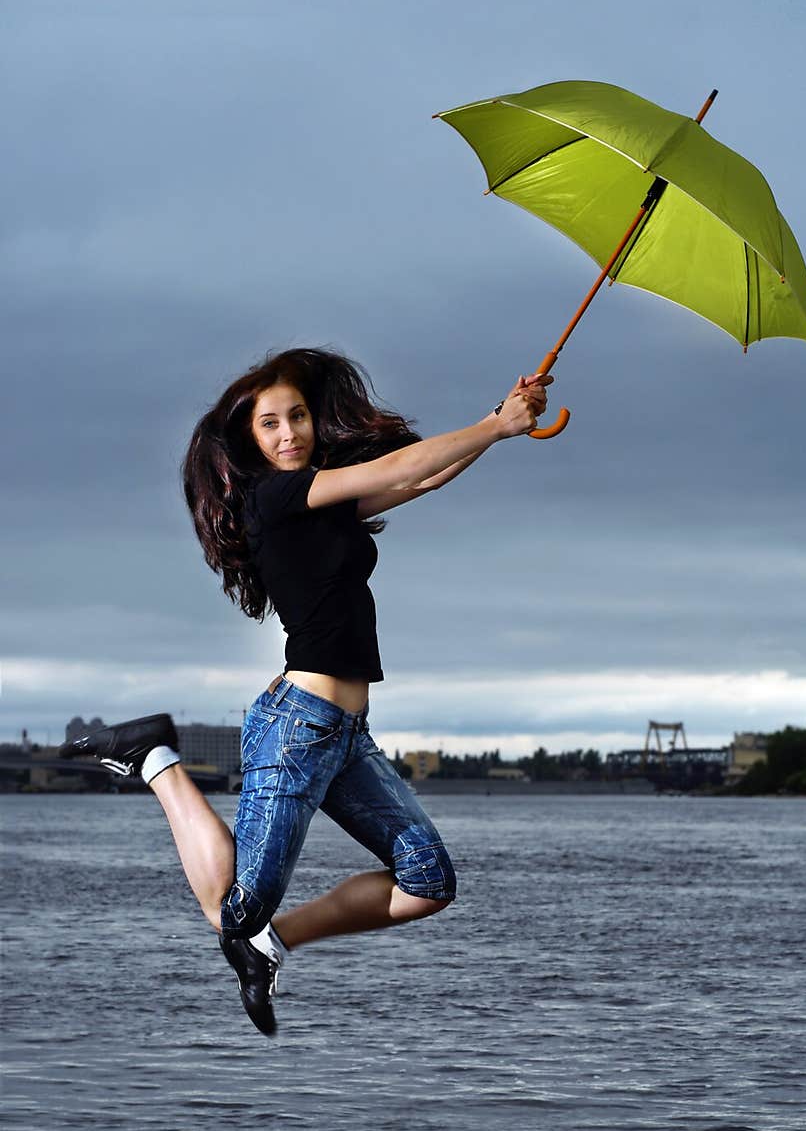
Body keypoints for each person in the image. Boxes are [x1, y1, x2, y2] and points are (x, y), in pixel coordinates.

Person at [61, 349, 551, 1036]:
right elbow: (397, 467)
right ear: (251, 439)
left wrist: (500, 418)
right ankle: (156, 760)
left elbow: (424, 478)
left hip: (346, 735)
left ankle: (272, 943)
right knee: (232, 909)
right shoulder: (274, 496)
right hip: (299, 725)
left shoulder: (323, 501)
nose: (290, 432)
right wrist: (497, 428)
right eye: (271, 423)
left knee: (428, 879)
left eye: (298, 416)